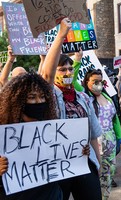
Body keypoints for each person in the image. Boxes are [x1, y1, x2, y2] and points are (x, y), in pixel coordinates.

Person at [40, 17, 102, 200]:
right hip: (57, 164)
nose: (68, 72)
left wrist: (96, 164)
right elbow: (45, 75)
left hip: (84, 162)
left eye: (70, 69)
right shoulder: (49, 96)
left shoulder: (83, 98)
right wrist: (60, 36)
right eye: (62, 69)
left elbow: (93, 135)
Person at [0, 72, 62, 199]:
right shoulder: (4, 134)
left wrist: (80, 153)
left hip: (50, 194)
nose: (39, 101)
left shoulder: (52, 130)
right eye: (32, 97)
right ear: (18, 101)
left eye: (42, 97)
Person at [79, 68, 121, 199]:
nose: (98, 84)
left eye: (100, 81)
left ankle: (105, 197)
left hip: (110, 141)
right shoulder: (85, 97)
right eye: (94, 81)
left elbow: (114, 119)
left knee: (109, 173)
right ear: (87, 82)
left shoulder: (106, 96)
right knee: (98, 174)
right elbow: (75, 77)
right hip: (95, 143)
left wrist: (120, 136)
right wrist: (78, 58)